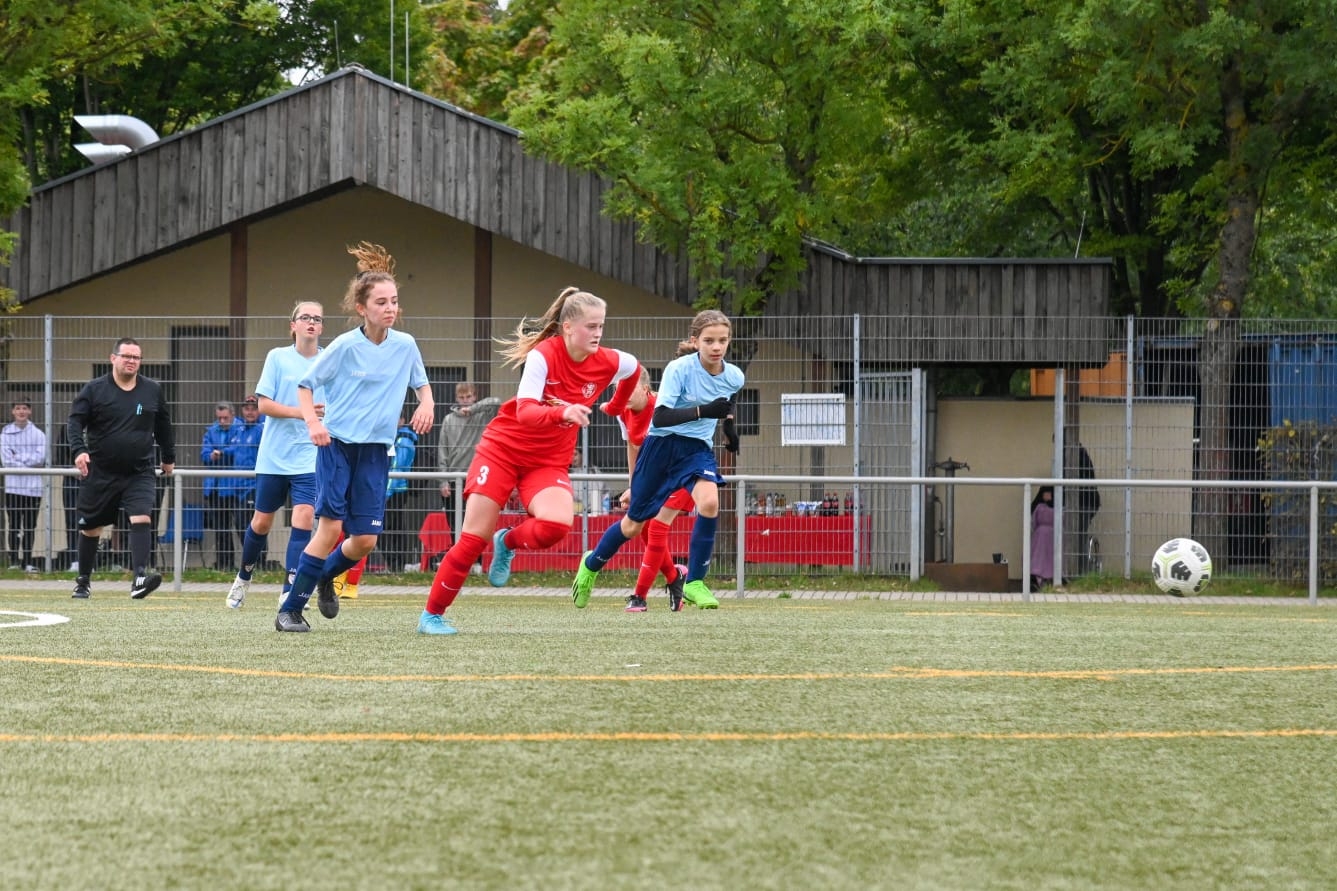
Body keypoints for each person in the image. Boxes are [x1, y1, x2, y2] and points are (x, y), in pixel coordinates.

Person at [417, 286, 642, 635]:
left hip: (547, 462)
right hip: (503, 450)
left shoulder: (611, 361)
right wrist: (563, 411)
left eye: (601, 326)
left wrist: (615, 406)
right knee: (473, 537)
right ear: (568, 327)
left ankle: (506, 542)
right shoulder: (543, 356)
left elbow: (633, 370)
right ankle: (432, 615)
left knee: (557, 525)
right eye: (590, 326)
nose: (597, 333)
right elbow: (524, 412)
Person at [275, 242, 434, 633]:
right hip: (337, 448)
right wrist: (314, 424)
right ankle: (290, 610)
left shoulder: (406, 345)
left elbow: (422, 385)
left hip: (377, 452)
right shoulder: (345, 346)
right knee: (329, 529)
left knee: (364, 541)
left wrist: (426, 403)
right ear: (362, 308)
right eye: (381, 302)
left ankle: (325, 576)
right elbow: (305, 386)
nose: (391, 309)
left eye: (394, 301)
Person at [569, 310, 743, 611]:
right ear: (695, 341)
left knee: (710, 503)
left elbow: (726, 404)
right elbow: (661, 417)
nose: (717, 347)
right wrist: (704, 411)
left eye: (723, 341)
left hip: (696, 449)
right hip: (662, 445)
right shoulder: (679, 369)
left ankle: (695, 582)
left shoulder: (735, 376)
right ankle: (591, 565)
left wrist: (729, 429)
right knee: (633, 526)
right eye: (709, 340)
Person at [227, 303, 325, 609]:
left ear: (321, 327)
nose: (311, 322)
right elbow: (264, 405)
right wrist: (302, 413)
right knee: (262, 523)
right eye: (305, 317)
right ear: (292, 325)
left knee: (305, 517)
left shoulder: (328, 362)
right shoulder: (277, 357)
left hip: (309, 456)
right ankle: (244, 577)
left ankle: (290, 589)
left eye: (317, 319)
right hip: (274, 456)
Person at [66, 336, 176, 599]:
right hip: (101, 472)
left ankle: (139, 577)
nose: (131, 361)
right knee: (91, 528)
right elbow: (74, 422)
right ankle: (83, 581)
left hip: (139, 471)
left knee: (141, 516)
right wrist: (79, 451)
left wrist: (168, 457)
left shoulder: (152, 390)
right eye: (126, 356)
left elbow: (163, 424)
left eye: (136, 357)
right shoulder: (94, 390)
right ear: (113, 358)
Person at [613, 367, 694, 612]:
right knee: (645, 530)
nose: (622, 394)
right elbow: (633, 447)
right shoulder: (622, 413)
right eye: (617, 390)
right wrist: (633, 486)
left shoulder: (663, 408)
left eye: (628, 388)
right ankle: (674, 577)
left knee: (657, 526)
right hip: (655, 475)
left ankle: (639, 596)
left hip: (681, 470)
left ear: (646, 388)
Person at [437, 381, 501, 574]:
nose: (465, 401)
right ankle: (457, 562)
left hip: (476, 476)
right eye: (462, 398)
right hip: (454, 476)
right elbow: (443, 450)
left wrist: (473, 409)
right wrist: (443, 479)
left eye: (468, 397)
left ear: (474, 396)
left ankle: (476, 563)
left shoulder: (482, 415)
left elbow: (496, 402)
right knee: (454, 522)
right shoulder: (449, 420)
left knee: (475, 523)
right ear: (456, 398)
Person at [2, 397, 48, 571]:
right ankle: (14, 562)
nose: (21, 411)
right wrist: (26, 461)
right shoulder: (5, 433)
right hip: (13, 487)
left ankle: (27, 562)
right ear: (13, 411)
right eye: (17, 408)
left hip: (33, 488)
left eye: (24, 408)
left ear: (29, 411)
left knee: (30, 526)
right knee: (13, 525)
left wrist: (17, 458)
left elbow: (41, 458)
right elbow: (6, 460)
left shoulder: (38, 434)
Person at [201, 400, 241, 569]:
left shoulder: (241, 428)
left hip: (236, 486)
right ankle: (224, 564)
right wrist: (211, 456)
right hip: (216, 487)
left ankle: (255, 564)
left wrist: (222, 453)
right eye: (220, 418)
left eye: (225, 418)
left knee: (242, 526)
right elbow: (204, 454)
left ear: (232, 415)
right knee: (220, 529)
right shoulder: (211, 430)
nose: (222, 421)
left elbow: (239, 450)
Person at [380, 411, 419, 573]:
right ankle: (396, 565)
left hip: (394, 490)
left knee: (382, 528)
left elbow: (396, 467)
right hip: (393, 488)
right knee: (395, 527)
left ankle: (395, 563)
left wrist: (385, 493)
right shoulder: (395, 437)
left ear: (402, 419)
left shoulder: (403, 440)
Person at [1074, 443, 1101, 574]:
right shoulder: (1080, 453)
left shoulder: (1075, 456)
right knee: (1077, 534)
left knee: (1078, 535)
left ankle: (1081, 570)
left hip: (1084, 502)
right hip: (1085, 501)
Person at [1029, 486, 1055, 589]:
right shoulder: (1038, 507)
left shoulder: (1059, 507)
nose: (1047, 495)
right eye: (1045, 493)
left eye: (1049, 493)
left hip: (1052, 538)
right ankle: (1036, 580)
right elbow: (1033, 522)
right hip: (1039, 539)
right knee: (1038, 558)